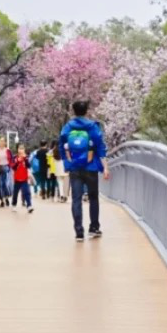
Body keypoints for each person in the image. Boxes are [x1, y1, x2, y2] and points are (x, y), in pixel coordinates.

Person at [58, 100, 109, 242]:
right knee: (93, 198)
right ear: (86, 111)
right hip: (91, 166)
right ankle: (93, 227)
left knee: (76, 199)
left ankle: (79, 232)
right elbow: (100, 147)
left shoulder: (67, 127)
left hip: (75, 167)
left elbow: (62, 146)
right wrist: (105, 166)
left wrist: (67, 163)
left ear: (74, 111)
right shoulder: (92, 126)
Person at [9, 144, 34, 213]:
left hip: (24, 178)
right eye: (20, 148)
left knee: (26, 192)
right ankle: (14, 205)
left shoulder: (26, 157)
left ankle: (29, 206)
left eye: (22, 148)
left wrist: (25, 159)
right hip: (17, 179)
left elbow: (29, 166)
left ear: (24, 150)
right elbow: (13, 167)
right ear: (17, 149)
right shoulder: (15, 157)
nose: (21, 150)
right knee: (15, 193)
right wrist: (18, 161)